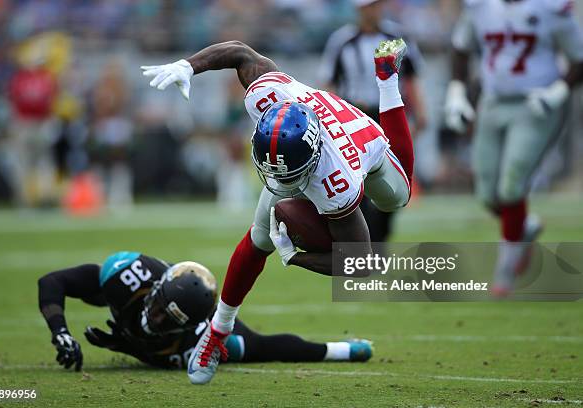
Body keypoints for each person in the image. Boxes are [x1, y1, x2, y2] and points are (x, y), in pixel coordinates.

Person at [141, 38, 414, 384]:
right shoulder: (265, 96)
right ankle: (216, 334)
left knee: (397, 196)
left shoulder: (336, 180)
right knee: (258, 237)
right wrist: (188, 65)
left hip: (360, 139)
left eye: (287, 173)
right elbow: (240, 52)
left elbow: (360, 263)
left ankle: (387, 79)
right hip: (311, 139)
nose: (274, 178)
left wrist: (295, 257)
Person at [444, 0, 583, 295]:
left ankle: (505, 273)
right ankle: (524, 225)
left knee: (512, 185)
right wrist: (456, 94)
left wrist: (558, 91)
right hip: (492, 102)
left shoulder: (550, 7)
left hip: (536, 105)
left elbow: (579, 57)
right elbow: (460, 47)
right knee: (486, 194)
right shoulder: (480, 7)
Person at [38, 251, 372, 371]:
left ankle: (343, 349)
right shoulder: (126, 277)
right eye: (158, 309)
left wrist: (130, 345)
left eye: (167, 321)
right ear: (155, 289)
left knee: (253, 348)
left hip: (201, 335)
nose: (155, 320)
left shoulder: (197, 341)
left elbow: (267, 347)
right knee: (96, 291)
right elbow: (52, 282)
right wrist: (61, 332)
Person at [320, 0, 426, 247]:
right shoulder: (341, 41)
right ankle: (367, 245)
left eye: (375, 6)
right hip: (355, 117)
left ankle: (380, 239)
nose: (371, 11)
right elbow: (329, 83)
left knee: (396, 180)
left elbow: (411, 76)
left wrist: (421, 112)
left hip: (388, 115)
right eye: (367, 7)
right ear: (358, 10)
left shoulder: (398, 36)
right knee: (360, 184)